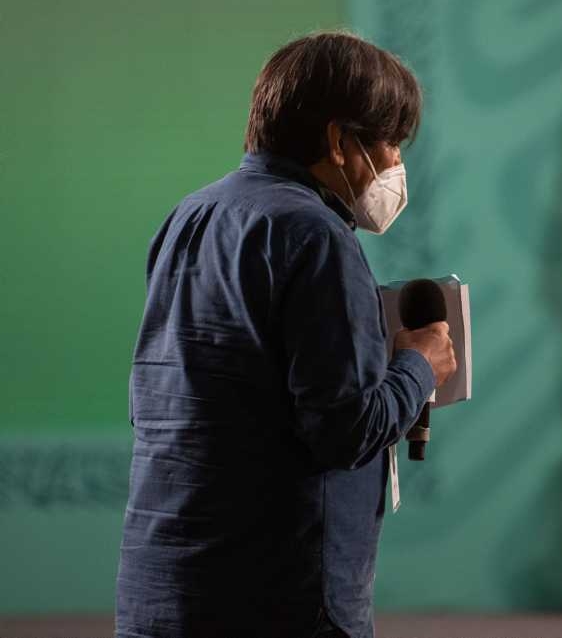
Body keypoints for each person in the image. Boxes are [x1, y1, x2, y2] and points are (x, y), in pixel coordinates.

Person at [115, 31, 457, 638]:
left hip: (164, 588)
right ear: (338, 140)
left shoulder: (189, 216)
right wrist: (419, 365)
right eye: (389, 143)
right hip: (278, 600)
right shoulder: (315, 234)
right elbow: (344, 428)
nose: (397, 164)